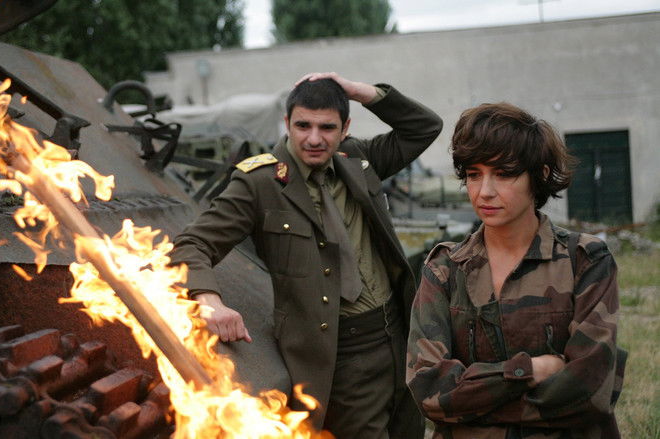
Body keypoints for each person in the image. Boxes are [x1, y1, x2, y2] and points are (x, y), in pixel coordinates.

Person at [170, 72, 443, 438]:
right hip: (339, 356)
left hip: (398, 339)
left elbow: (424, 128)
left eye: (327, 127)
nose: (314, 139)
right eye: (303, 126)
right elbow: (192, 244)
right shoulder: (259, 182)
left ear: (345, 128)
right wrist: (209, 300)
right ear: (287, 123)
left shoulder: (356, 159)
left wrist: (358, 91)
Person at [406, 102, 626, 438]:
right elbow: (429, 390)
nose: (485, 191)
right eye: (474, 174)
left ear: (540, 175)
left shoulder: (585, 260)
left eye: (504, 173)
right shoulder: (445, 269)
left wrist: (471, 404)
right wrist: (530, 370)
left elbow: (590, 390)